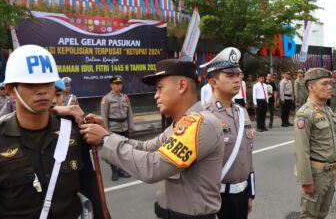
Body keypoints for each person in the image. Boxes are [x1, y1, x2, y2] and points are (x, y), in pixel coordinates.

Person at [80, 59, 224, 219]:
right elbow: (146, 147)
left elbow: (153, 166)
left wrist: (106, 140)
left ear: (182, 86)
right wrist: (108, 134)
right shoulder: (179, 125)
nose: (156, 95)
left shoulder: (200, 123)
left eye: (160, 88)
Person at [0, 45, 105, 219]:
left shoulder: (73, 132)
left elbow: (92, 194)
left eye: (48, 82)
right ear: (11, 90)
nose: (42, 90)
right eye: (31, 84)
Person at [201, 47, 256, 219]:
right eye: (229, 76)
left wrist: (249, 193)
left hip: (241, 195)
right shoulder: (204, 116)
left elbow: (248, 156)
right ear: (213, 82)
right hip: (216, 200)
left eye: (237, 75)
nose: (236, 80)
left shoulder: (242, 112)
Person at [294, 68, 336, 219]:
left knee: (322, 214)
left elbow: (331, 142)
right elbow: (302, 150)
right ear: (311, 87)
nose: (329, 87)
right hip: (316, 175)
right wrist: (306, 180)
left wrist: (335, 168)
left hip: (329, 172)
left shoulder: (326, 109)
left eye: (330, 84)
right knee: (309, 216)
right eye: (325, 84)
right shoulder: (305, 113)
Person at [100, 76, 134, 181]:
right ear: (112, 85)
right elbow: (104, 115)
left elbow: (129, 113)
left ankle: (122, 170)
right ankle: (114, 171)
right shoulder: (106, 99)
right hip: (113, 129)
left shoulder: (125, 98)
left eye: (120, 83)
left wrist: (130, 126)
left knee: (123, 150)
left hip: (124, 128)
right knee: (112, 151)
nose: (119, 85)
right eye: (116, 84)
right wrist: (106, 130)